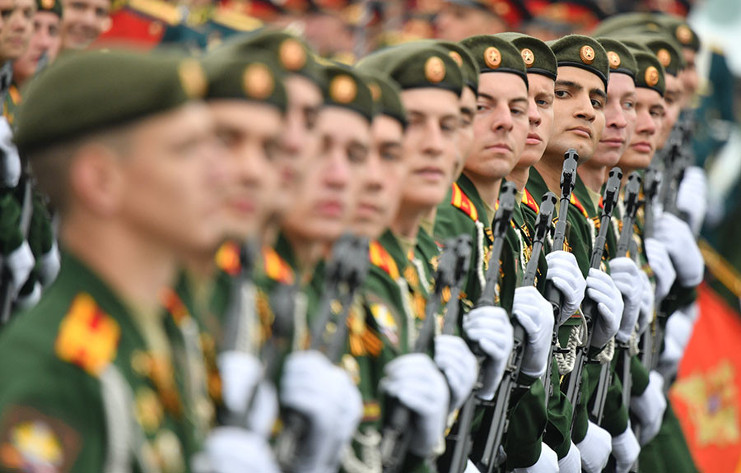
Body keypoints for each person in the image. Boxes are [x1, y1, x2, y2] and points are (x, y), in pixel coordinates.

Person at [0, 49, 231, 470]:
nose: (221, 172)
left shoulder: (164, 328)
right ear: (101, 181)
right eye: (186, 150)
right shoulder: (55, 370)